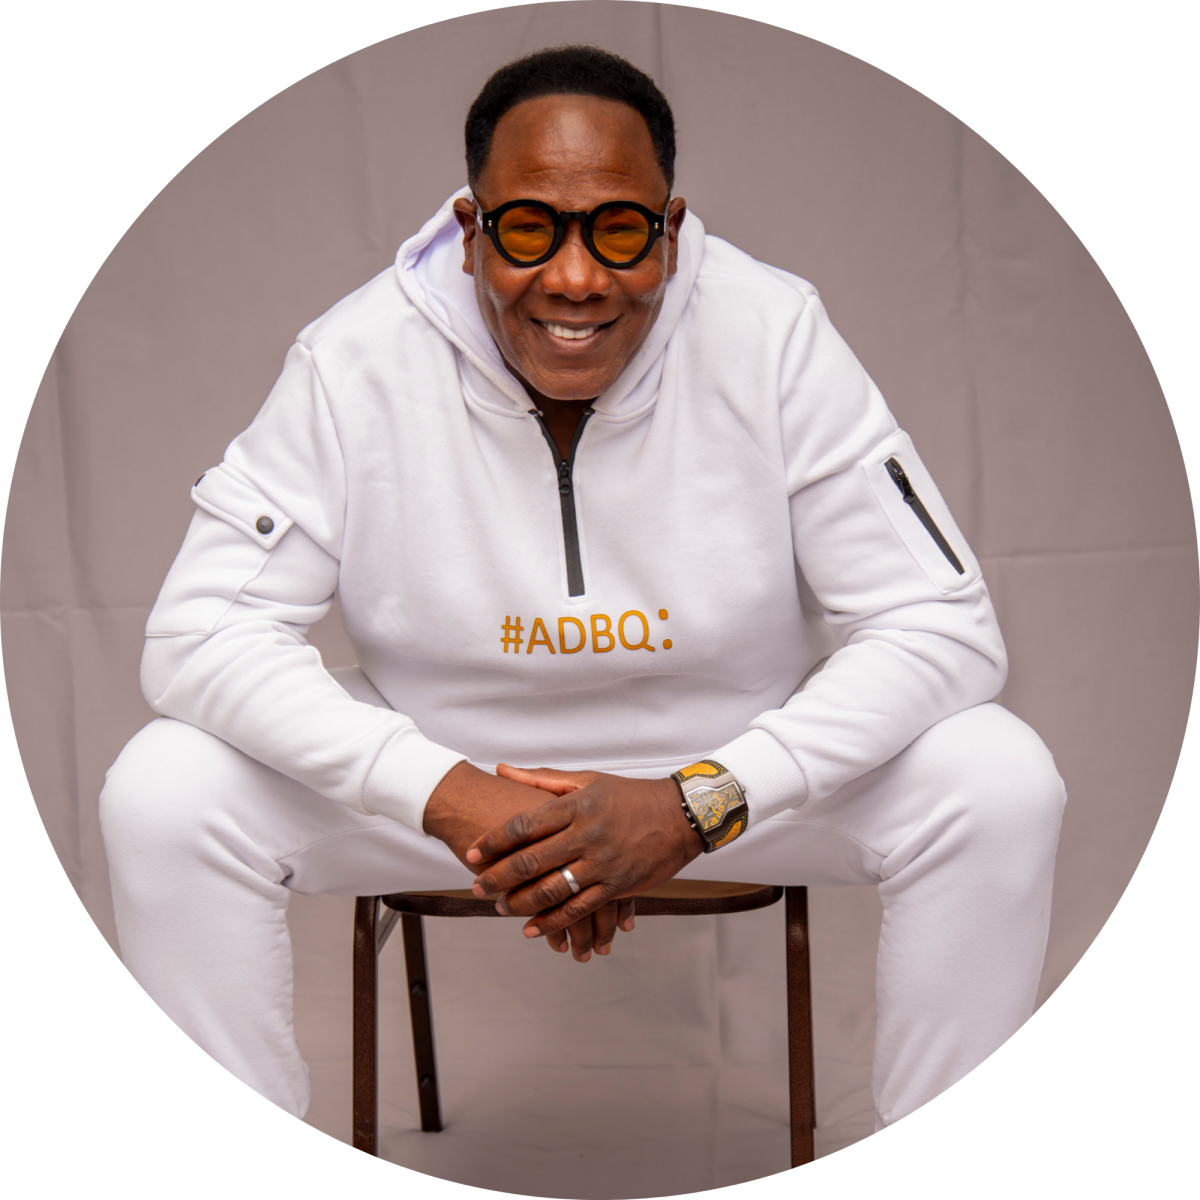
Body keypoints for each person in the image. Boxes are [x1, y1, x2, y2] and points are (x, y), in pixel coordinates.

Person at [99, 46, 1066, 1135]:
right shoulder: (354, 358)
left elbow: (942, 627)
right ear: (471, 232)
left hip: (728, 772)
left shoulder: (773, 332)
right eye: (528, 229)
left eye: (618, 230)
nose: (574, 279)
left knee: (997, 778)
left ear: (670, 229)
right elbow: (198, 636)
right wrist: (452, 793)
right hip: (440, 775)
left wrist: (696, 802)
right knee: (164, 791)